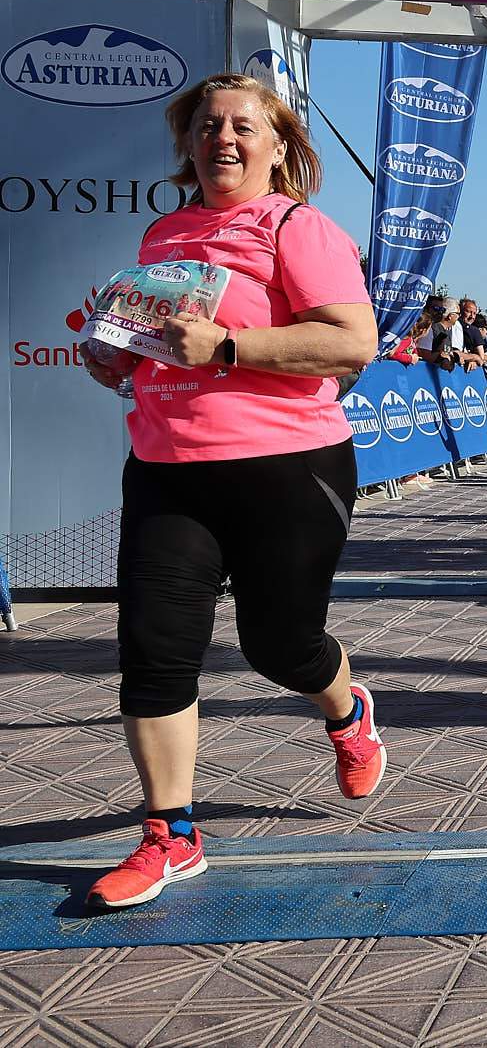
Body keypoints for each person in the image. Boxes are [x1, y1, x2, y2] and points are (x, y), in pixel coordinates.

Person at [75, 73, 383, 910]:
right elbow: (155, 346)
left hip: (286, 469)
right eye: (209, 125)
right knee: (153, 650)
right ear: (188, 141)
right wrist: (117, 357)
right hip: (169, 469)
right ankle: (170, 834)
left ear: (277, 144)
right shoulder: (163, 233)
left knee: (279, 646)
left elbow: (353, 343)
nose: (224, 138)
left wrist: (225, 348)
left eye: (245, 125)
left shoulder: (297, 225)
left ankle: (346, 707)